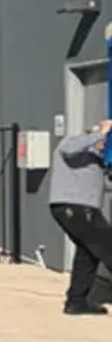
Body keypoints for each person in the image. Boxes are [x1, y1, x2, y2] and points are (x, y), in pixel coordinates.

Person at [48, 118, 112, 314]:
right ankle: (76, 301)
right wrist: (100, 133)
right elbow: (69, 149)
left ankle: (76, 303)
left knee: (88, 254)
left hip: (81, 210)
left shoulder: (95, 160)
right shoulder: (72, 142)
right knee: (108, 247)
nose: (103, 146)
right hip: (75, 209)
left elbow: (105, 185)